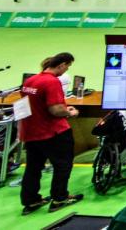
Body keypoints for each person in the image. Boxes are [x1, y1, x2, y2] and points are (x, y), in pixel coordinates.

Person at [19, 52, 83, 215]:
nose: (67, 69)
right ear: (61, 65)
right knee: (63, 165)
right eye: (67, 66)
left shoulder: (30, 81)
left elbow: (31, 105)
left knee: (33, 168)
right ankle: (60, 198)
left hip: (32, 132)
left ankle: (31, 200)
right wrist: (70, 112)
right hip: (53, 132)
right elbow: (55, 109)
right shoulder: (52, 82)